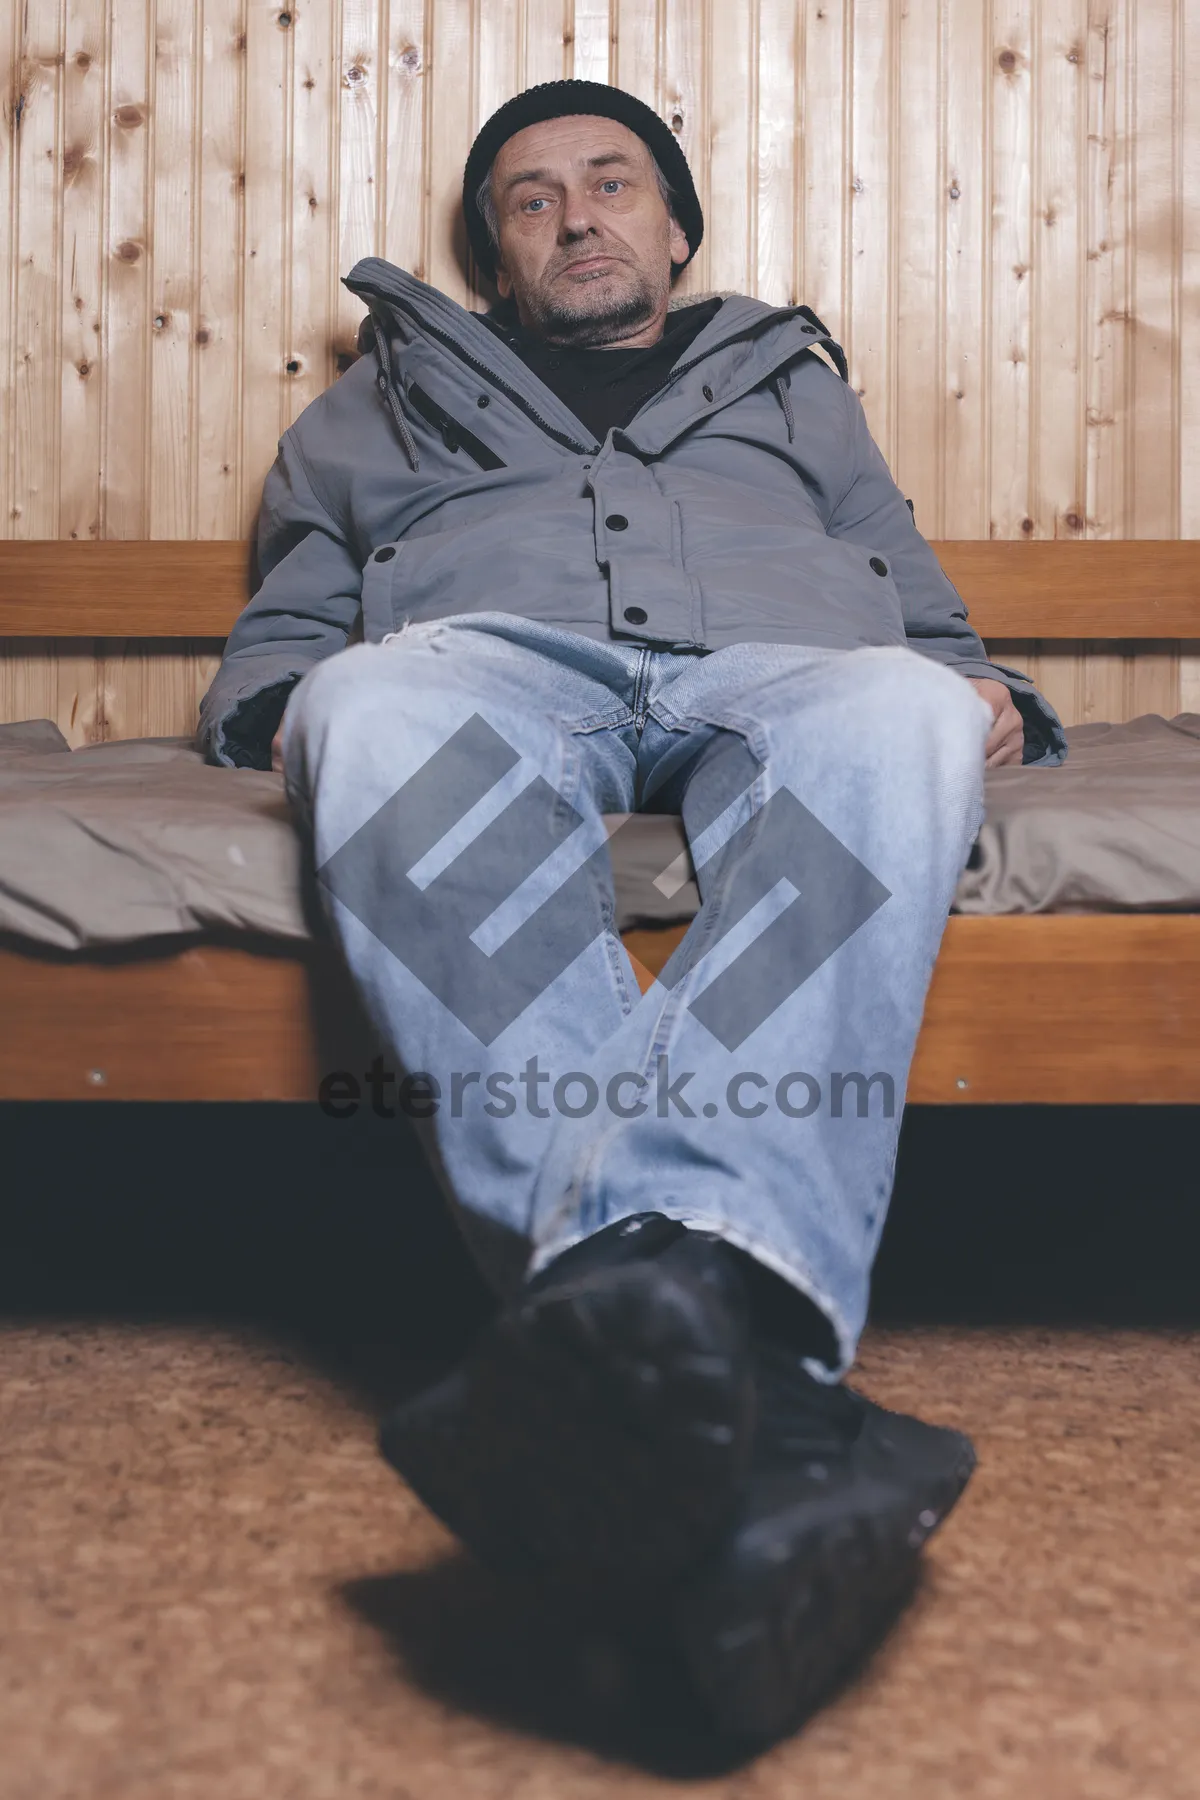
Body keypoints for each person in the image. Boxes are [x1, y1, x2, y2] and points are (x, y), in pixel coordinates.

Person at [200, 79, 1066, 1745]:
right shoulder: (371, 413)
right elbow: (296, 622)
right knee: (367, 714)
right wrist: (283, 709)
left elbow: (916, 597)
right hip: (492, 657)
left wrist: (978, 684)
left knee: (903, 714)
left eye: (611, 184)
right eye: (531, 200)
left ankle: (644, 1311)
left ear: (674, 226)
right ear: (498, 253)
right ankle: (756, 1372)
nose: (576, 214)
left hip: (785, 660)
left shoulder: (794, 391)